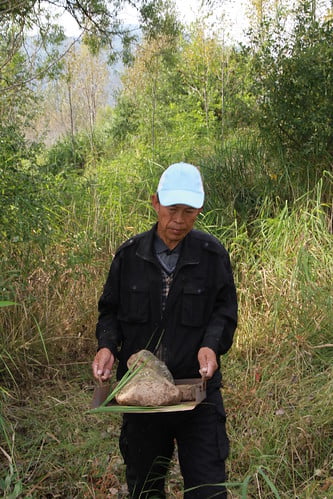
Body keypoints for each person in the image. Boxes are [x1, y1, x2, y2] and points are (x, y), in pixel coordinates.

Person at [92, 162, 238, 498]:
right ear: (155, 202)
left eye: (189, 211)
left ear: (199, 210)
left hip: (197, 391)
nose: (179, 220)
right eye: (172, 209)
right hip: (143, 398)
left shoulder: (212, 255)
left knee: (208, 489)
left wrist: (211, 346)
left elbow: (224, 311)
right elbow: (109, 312)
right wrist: (106, 347)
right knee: (145, 489)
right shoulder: (130, 256)